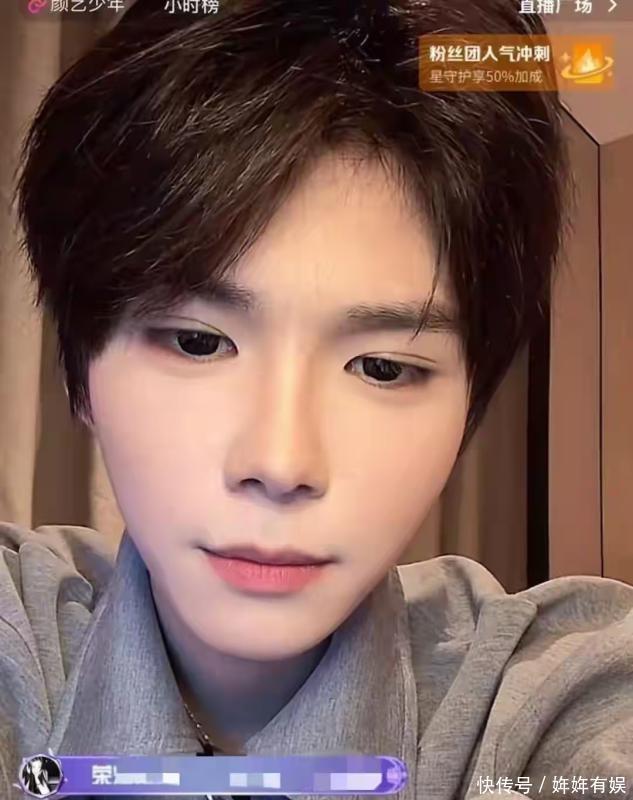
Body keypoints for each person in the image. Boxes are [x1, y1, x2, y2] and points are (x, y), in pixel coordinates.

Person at [2, 1, 632, 799]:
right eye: (197, 342)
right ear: (81, 372)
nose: (280, 463)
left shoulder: (558, 695)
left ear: (468, 403)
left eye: (382, 367)